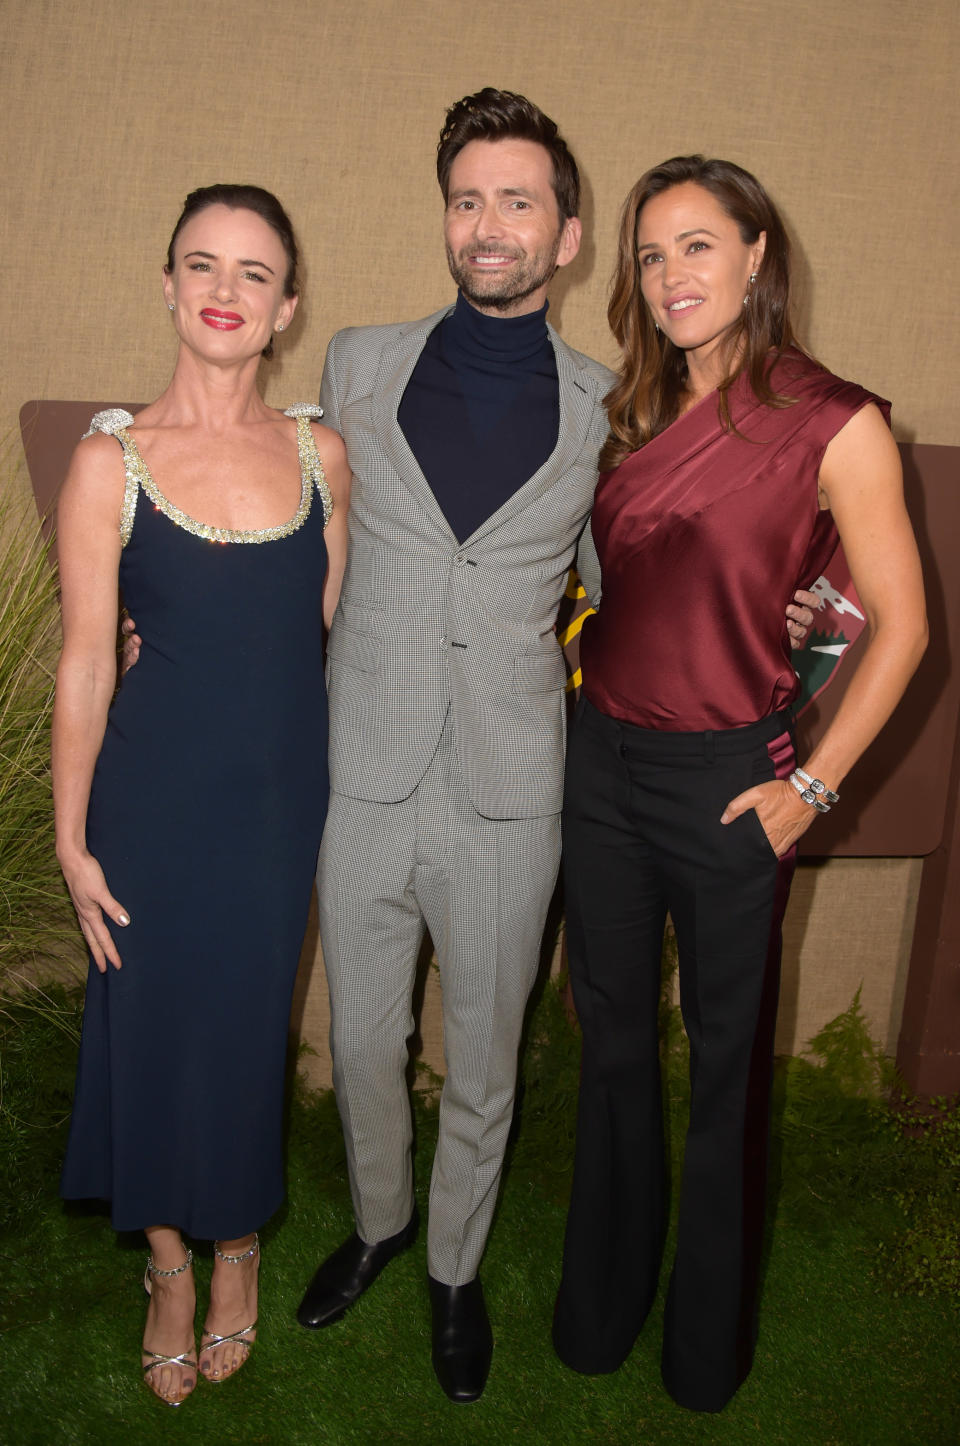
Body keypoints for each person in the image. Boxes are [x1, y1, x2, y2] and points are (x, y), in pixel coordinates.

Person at [292, 92, 816, 1404]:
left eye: (517, 201)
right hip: (364, 765)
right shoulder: (356, 364)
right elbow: (286, 505)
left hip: (518, 786)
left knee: (483, 1046)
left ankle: (453, 1269)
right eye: (467, 198)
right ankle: (377, 1222)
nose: (487, 225)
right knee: (362, 1041)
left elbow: (638, 574)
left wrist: (787, 631)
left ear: (571, 236)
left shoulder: (610, 411)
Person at [551, 155, 927, 1412]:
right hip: (600, 764)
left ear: (759, 254)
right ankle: (599, 1308)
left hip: (730, 779)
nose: (669, 278)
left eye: (697, 247)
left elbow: (907, 628)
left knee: (725, 1066)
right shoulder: (630, 412)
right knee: (610, 1048)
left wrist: (810, 790)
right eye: (651, 256)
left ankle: (704, 1347)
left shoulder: (836, 419)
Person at [53, 184, 350, 1406]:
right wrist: (71, 840)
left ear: (285, 308)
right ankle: (168, 1268)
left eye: (254, 274)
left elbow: (310, 631)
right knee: (151, 1027)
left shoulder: (322, 454)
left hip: (279, 805)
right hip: (151, 802)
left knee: (243, 1027)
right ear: (170, 287)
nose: (227, 292)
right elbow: (84, 657)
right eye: (203, 267)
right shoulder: (107, 461)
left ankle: (238, 1246)